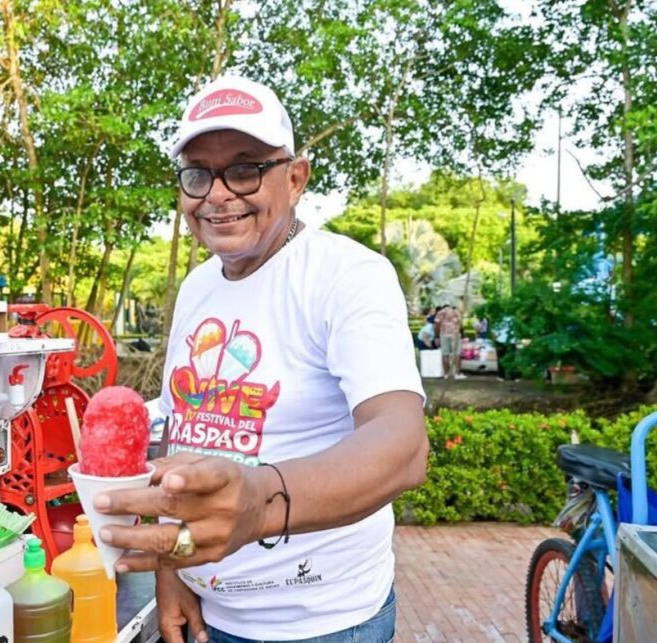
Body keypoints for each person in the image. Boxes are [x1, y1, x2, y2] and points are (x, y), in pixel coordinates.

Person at [92, 77, 428, 643]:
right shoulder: (198, 286)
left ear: (295, 178)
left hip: (322, 624)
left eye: (245, 169)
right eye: (198, 174)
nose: (217, 195)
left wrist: (257, 503)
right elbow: (181, 430)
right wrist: (175, 565)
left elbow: (403, 444)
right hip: (209, 615)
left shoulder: (348, 276)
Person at [434, 304, 465, 380]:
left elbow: (436, 324)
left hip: (443, 334)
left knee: (445, 354)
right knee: (457, 353)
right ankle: (457, 374)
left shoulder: (440, 312)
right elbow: (460, 324)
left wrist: (437, 335)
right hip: (455, 334)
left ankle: (446, 374)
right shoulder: (455, 312)